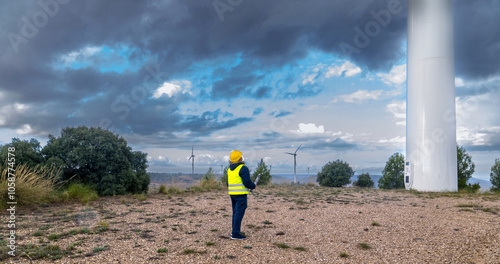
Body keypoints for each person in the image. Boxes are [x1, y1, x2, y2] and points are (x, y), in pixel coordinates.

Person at [227, 150, 256, 240]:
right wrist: (253, 186)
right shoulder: (243, 168)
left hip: (232, 194)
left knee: (235, 213)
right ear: (240, 158)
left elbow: (228, 183)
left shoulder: (229, 169)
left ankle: (235, 231)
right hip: (241, 194)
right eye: (241, 156)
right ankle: (235, 233)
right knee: (238, 213)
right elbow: (247, 182)